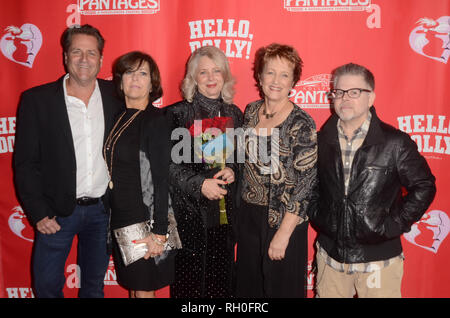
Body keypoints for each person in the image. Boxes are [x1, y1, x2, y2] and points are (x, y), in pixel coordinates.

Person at [308, 62, 436, 298]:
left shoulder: (395, 143)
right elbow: (311, 187)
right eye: (339, 92)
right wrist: (319, 216)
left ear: (371, 97)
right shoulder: (319, 141)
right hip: (330, 256)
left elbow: (424, 186)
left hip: (380, 261)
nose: (345, 98)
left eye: (354, 92)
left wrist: (392, 225)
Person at [13, 24, 123, 298]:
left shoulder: (116, 97)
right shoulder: (37, 100)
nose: (84, 59)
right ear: (65, 57)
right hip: (55, 214)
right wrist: (38, 213)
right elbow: (25, 163)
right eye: (77, 52)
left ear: (100, 58)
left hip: (102, 212)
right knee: (47, 287)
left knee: (93, 289)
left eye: (91, 53)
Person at [235, 43, 317, 298]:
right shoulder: (249, 112)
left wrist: (283, 234)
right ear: (260, 76)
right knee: (249, 290)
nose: (276, 81)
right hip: (248, 218)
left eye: (284, 74)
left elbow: (306, 185)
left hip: (283, 221)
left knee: (281, 290)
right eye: (270, 72)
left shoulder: (301, 123)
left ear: (294, 81)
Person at [166, 46, 243, 298]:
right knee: (189, 287)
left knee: (221, 285)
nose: (211, 78)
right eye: (203, 73)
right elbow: (166, 166)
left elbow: (240, 159)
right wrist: (199, 183)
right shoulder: (177, 114)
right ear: (193, 78)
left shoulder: (234, 114)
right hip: (189, 217)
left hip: (224, 218)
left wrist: (232, 169)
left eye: (216, 71)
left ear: (225, 75)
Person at [105, 51, 181, 298]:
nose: (135, 78)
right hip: (121, 217)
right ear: (120, 79)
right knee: (135, 289)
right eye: (129, 72)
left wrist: (159, 232)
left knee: (145, 289)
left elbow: (161, 181)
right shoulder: (118, 117)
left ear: (152, 83)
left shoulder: (155, 120)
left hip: (145, 219)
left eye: (143, 73)